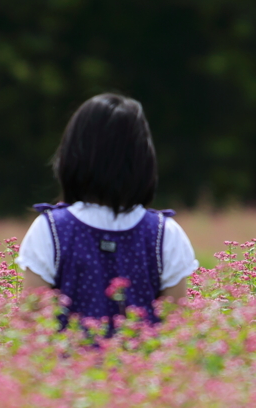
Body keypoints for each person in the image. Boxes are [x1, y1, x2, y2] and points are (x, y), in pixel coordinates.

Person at [18, 93, 198, 331]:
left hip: (68, 366)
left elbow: (32, 327)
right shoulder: (165, 234)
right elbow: (176, 331)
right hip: (144, 366)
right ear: (143, 157)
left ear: (73, 154)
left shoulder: (50, 229)